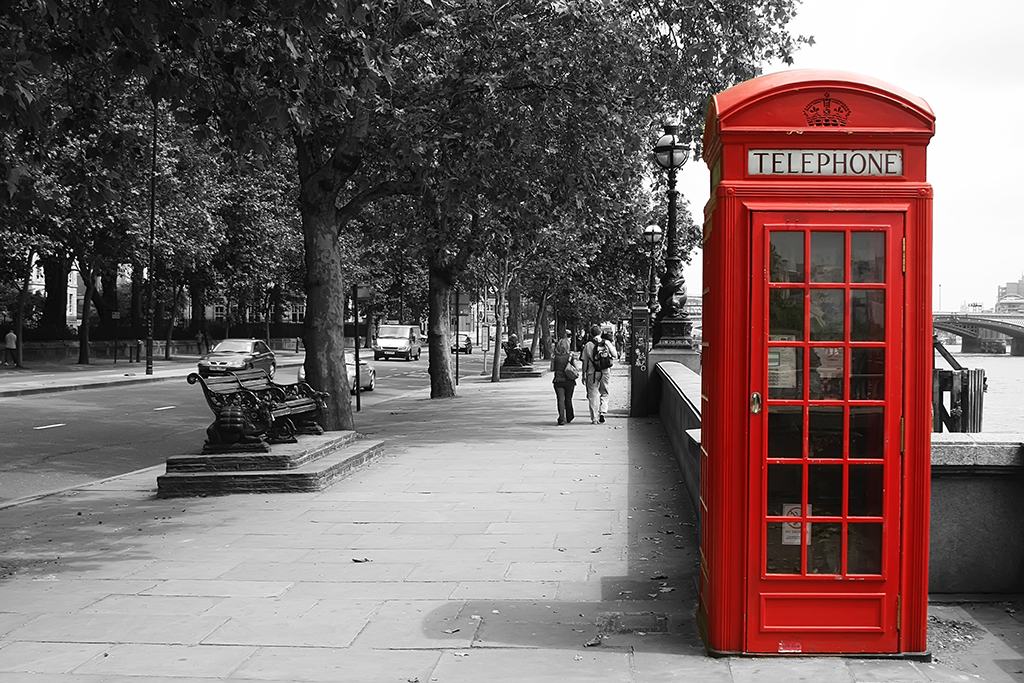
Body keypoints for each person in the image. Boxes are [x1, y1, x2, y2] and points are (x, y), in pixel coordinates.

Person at [581, 325, 618, 424]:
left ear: (591, 334)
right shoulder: (606, 343)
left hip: (592, 373)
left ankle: (594, 418)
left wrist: (583, 374)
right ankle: (602, 411)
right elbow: (615, 355)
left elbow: (584, 362)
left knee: (592, 395)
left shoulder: (588, 345)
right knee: (604, 392)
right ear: (600, 333)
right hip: (605, 371)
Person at [549, 337, 577, 425]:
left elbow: (552, 369)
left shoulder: (555, 356)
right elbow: (577, 368)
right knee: (568, 399)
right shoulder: (570, 356)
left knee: (560, 400)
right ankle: (569, 416)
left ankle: (561, 418)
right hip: (569, 381)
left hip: (558, 380)